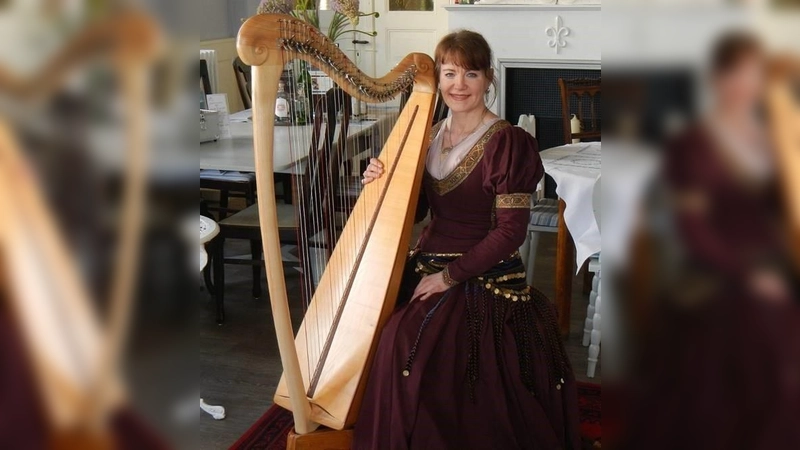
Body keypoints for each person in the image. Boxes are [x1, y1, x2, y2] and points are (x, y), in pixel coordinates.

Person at [352, 30, 580, 449]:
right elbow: (416, 212)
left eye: (470, 73)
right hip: (427, 262)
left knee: (406, 341)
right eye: (450, 72)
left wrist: (448, 277)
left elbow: (511, 232)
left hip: (481, 274)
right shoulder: (429, 134)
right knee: (369, 328)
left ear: (489, 79)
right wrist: (378, 181)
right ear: (437, 78)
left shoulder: (508, 142)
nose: (459, 84)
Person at [617, 31, 800, 449]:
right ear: (717, 80)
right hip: (717, 267)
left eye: (755, 74)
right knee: (763, 322)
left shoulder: (773, 137)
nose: (748, 84)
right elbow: (694, 230)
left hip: (771, 258)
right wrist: (749, 275)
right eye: (737, 74)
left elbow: (779, 212)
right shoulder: (692, 145)